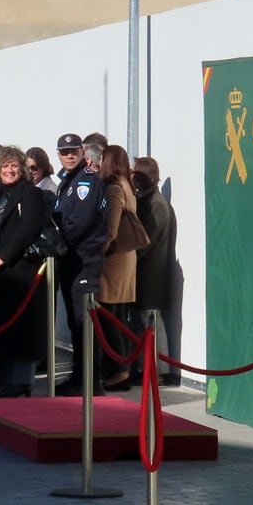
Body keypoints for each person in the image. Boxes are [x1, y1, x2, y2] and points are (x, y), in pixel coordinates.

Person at [0, 147, 50, 398]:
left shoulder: (31, 194)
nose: (9, 170)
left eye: (14, 165)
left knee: (22, 328)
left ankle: (21, 382)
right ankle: (4, 374)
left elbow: (26, 230)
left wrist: (2, 259)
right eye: (5, 166)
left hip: (19, 271)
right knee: (1, 325)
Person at [53, 133, 112, 395]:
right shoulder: (67, 181)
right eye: (64, 152)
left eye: (73, 151)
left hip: (84, 259)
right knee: (76, 323)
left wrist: (58, 241)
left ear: (82, 152)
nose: (69, 156)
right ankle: (80, 376)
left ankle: (92, 380)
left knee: (85, 321)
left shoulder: (85, 181)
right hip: (71, 260)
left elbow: (81, 222)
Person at [133, 156, 182, 386]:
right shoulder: (149, 200)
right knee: (146, 320)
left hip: (152, 273)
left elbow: (148, 241)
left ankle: (161, 369)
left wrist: (131, 256)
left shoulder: (157, 205)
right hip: (147, 272)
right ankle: (149, 366)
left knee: (152, 320)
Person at [98, 145, 143, 391]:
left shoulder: (114, 188)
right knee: (116, 315)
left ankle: (119, 370)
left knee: (109, 316)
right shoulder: (128, 185)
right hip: (126, 258)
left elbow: (111, 229)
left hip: (114, 260)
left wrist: (98, 252)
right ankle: (119, 368)